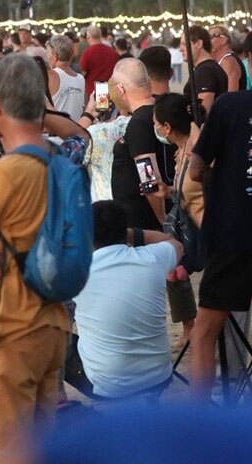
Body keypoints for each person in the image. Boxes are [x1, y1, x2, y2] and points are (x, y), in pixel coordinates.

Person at [0, 54, 90, 464]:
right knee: (42, 448)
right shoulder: (62, 160)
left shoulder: (6, 173)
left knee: (5, 452)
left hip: (7, 328)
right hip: (53, 326)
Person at [70, 200, 182, 399]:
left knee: (49, 334)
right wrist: (132, 234)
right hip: (158, 376)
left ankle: (57, 404)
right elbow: (175, 244)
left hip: (108, 387)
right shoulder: (152, 258)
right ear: (125, 230)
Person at [188, 89, 252, 402]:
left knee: (204, 333)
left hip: (234, 233)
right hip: (234, 234)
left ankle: (200, 425)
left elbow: (196, 170)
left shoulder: (231, 105)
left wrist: (223, 178)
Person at [154, 93, 203, 348]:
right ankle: (189, 329)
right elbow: (185, 190)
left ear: (167, 127)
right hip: (189, 229)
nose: (156, 129)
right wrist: (169, 190)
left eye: (157, 123)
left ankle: (206, 333)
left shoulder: (198, 151)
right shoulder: (180, 151)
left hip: (207, 231)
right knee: (174, 271)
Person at [108, 58, 176, 230]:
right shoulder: (161, 111)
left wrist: (164, 222)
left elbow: (149, 178)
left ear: (120, 89)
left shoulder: (139, 123)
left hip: (146, 224)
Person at [181, 26, 228, 116]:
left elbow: (203, 112)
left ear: (199, 44)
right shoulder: (208, 68)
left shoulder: (205, 71)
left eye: (184, 44)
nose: (180, 49)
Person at [47, 36, 85, 122]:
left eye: (48, 53)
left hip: (56, 132)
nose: (47, 57)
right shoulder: (80, 78)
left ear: (55, 55)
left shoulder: (51, 76)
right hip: (76, 130)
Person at [79, 24, 119, 99]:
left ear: (88, 37)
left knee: (92, 110)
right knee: (104, 110)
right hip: (109, 91)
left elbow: (82, 73)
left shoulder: (88, 52)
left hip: (92, 92)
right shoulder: (112, 52)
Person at [209, 25, 248, 92]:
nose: (207, 41)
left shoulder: (228, 61)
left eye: (211, 37)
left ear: (223, 40)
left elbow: (231, 95)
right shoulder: (224, 60)